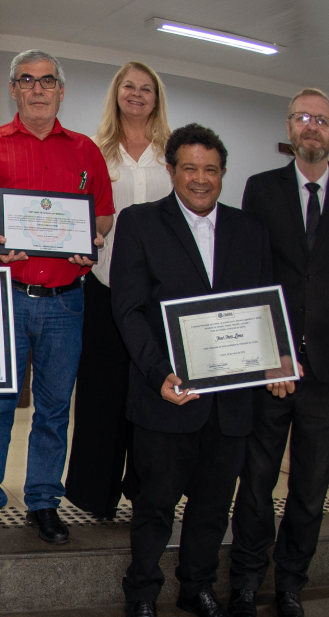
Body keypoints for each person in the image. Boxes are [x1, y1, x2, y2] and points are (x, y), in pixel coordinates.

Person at [113, 123, 280, 617]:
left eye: (210, 169)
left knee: (211, 507)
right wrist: (159, 373)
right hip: (167, 394)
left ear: (223, 174)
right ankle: (142, 592)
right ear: (171, 170)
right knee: (155, 505)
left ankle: (197, 586)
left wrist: (278, 356)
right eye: (189, 168)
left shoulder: (250, 230)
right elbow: (129, 310)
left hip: (231, 401)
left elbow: (264, 308)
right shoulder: (139, 223)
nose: (200, 178)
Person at [0, 49, 114, 546]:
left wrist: (92, 241)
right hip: (8, 296)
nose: (38, 89)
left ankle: (44, 500)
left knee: (54, 407)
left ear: (61, 90)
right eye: (27, 81)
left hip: (67, 299)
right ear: (15, 90)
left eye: (47, 81)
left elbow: (103, 214)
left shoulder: (86, 150)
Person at [228, 89, 329, 617]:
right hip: (273, 368)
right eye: (304, 118)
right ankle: (245, 580)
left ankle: (292, 582)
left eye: (323, 120)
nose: (313, 127)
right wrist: (266, 354)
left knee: (311, 490)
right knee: (257, 484)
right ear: (290, 128)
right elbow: (250, 280)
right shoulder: (260, 190)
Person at [64, 62, 172, 519]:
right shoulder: (93, 151)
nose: (137, 94)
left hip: (161, 295)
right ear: (116, 93)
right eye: (129, 86)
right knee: (101, 393)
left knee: (152, 392)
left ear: (156, 98)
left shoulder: (173, 152)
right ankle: (95, 494)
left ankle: (145, 489)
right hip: (104, 286)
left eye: (147, 88)